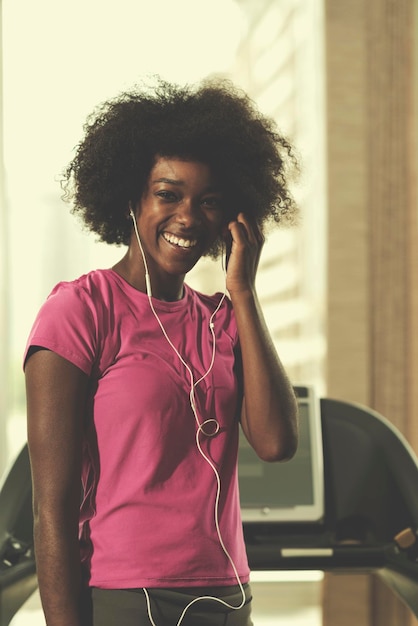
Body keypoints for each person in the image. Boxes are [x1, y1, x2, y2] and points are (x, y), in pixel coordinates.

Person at [24, 77, 299, 626]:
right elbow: (50, 511)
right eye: (168, 194)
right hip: (128, 597)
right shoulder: (82, 312)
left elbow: (275, 442)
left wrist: (243, 290)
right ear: (132, 197)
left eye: (209, 201)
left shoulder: (224, 317)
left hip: (227, 595)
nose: (188, 217)